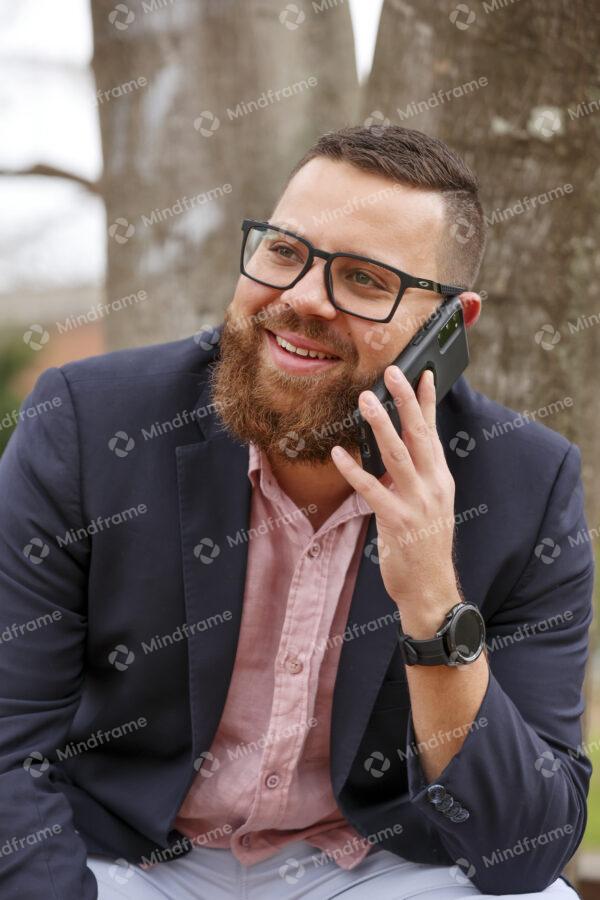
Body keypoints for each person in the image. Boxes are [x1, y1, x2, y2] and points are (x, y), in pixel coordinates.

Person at [0, 126, 593, 899]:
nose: (303, 298)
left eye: (364, 279)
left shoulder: (526, 483)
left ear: (450, 324)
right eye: (284, 252)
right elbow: (9, 750)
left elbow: (525, 849)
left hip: (368, 869)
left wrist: (433, 606)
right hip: (124, 857)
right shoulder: (88, 425)